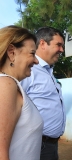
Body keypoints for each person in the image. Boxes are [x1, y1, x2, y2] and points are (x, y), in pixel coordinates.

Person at [21, 27, 66, 160]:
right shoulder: (29, 70)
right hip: (36, 145)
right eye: (58, 45)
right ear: (42, 43)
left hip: (50, 145)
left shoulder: (49, 72)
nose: (62, 50)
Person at [0, 25, 43, 160]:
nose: (36, 61)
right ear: (12, 52)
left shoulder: (11, 84)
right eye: (32, 53)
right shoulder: (6, 85)